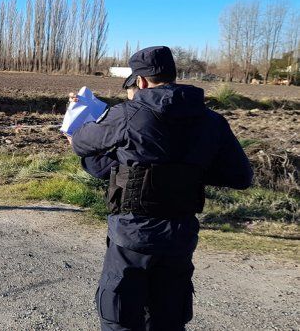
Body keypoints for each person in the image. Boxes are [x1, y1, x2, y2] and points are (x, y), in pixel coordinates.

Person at [66, 46, 252, 330]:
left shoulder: (127, 114)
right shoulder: (212, 120)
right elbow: (241, 176)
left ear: (139, 81)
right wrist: (189, 169)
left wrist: (83, 113)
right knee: (168, 320)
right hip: (179, 238)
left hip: (132, 237)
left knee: (121, 318)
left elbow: (80, 142)